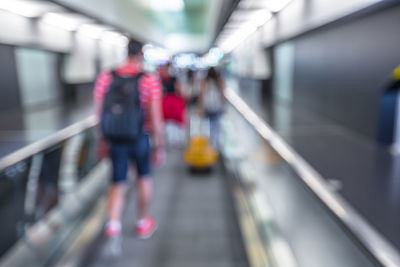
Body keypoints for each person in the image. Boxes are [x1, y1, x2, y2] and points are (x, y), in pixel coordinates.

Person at [93, 39, 164, 252]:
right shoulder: (149, 79)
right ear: (141, 54)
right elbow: (156, 116)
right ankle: (142, 222)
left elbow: (98, 113)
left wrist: (101, 139)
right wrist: (158, 145)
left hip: (115, 138)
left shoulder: (106, 76)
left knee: (118, 182)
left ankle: (114, 227)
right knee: (143, 178)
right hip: (139, 137)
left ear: (126, 52)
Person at [197, 67, 225, 148]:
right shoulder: (219, 82)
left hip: (207, 107)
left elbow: (201, 96)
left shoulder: (204, 82)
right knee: (216, 126)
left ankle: (209, 144)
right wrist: (223, 106)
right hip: (217, 106)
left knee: (207, 126)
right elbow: (222, 95)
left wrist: (200, 108)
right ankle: (215, 144)